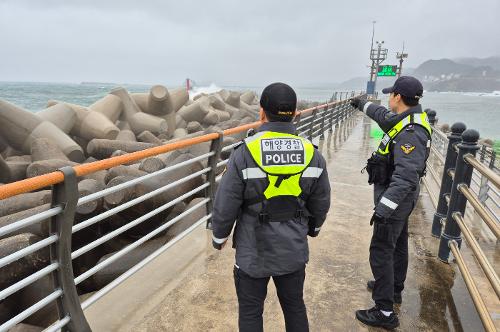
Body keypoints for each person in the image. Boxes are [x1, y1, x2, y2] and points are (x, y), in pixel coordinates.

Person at [211, 82, 331, 332]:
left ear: (262, 112)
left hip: (253, 250)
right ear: (296, 112)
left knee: (251, 311)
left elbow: (227, 201)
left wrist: (219, 236)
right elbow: (321, 200)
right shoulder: (312, 154)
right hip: (293, 250)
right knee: (295, 306)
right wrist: (314, 229)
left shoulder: (245, 152)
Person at [350, 76, 432, 329]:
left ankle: (384, 312)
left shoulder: (411, 131)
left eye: (390, 94)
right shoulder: (407, 118)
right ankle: (393, 288)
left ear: (398, 97)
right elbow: (383, 116)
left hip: (396, 199)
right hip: (401, 200)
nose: (387, 98)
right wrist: (361, 104)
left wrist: (385, 208)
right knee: (396, 244)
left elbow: (407, 175)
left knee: (382, 249)